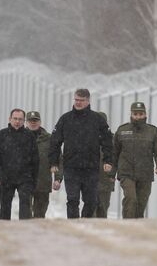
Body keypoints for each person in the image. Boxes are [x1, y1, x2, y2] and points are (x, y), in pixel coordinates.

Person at [49, 88, 113, 219]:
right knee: (72, 200)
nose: (78, 103)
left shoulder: (97, 119)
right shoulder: (66, 119)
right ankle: (73, 224)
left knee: (91, 201)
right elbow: (55, 141)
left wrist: (108, 160)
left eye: (81, 100)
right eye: (76, 100)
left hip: (91, 168)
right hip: (71, 167)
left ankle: (85, 223)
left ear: (88, 101)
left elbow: (107, 141)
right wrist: (54, 162)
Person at [114, 102, 157, 218]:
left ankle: (136, 227)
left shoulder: (152, 132)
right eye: (135, 114)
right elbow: (114, 153)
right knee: (131, 199)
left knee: (141, 204)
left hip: (145, 173)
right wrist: (111, 173)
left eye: (140, 114)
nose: (138, 116)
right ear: (131, 114)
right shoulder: (122, 130)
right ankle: (127, 225)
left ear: (145, 114)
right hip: (126, 173)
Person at [0, 109, 39, 220]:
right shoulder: (2, 135)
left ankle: (23, 230)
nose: (17, 121)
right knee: (5, 208)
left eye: (20, 119)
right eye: (15, 119)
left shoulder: (29, 136)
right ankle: (5, 230)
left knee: (25, 206)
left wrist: (34, 180)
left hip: (25, 178)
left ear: (24, 121)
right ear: (10, 119)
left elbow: (35, 160)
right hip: (6, 177)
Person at [26, 110, 62, 218]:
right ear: (26, 122)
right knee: (25, 213)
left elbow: (58, 159)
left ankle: (38, 233)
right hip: (25, 181)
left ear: (40, 122)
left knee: (40, 213)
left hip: (43, 181)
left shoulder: (50, 139)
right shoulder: (20, 137)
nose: (33, 123)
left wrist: (58, 178)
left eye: (35, 120)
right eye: (31, 120)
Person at [94, 112, 116, 218]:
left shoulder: (113, 140)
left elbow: (117, 158)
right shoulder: (86, 139)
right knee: (91, 208)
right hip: (90, 179)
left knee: (103, 209)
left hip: (106, 179)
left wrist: (113, 174)